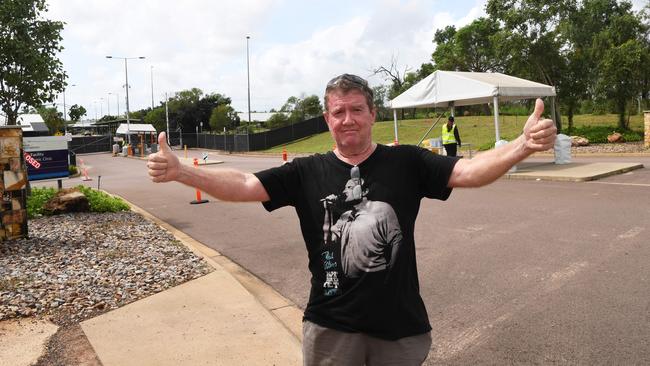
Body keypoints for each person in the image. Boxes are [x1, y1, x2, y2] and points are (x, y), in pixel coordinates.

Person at [147, 73, 556, 365]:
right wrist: (183, 172)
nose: (348, 119)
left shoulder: (406, 162)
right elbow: (244, 184)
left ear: (372, 113)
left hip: (399, 325)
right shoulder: (306, 171)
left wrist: (521, 146)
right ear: (327, 119)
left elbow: (468, 171)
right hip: (331, 327)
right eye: (338, 112)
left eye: (356, 109)